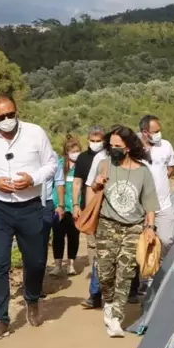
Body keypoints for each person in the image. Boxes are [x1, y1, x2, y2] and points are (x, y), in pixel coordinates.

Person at [0, 93, 58, 341]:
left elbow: (51, 164)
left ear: (17, 111)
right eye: (1, 116)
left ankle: (31, 300)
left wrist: (34, 179)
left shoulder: (35, 133)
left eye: (11, 114)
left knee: (36, 261)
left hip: (30, 206)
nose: (7, 119)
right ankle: (0, 319)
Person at [89, 125, 159, 337]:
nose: (113, 149)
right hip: (107, 225)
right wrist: (97, 184)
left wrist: (150, 228)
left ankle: (116, 318)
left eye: (117, 146)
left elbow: (149, 204)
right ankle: (108, 301)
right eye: (110, 146)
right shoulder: (105, 164)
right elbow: (93, 188)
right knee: (105, 272)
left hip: (133, 227)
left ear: (128, 147)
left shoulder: (143, 172)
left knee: (126, 272)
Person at [72, 125, 106, 309]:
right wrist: (76, 205)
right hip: (89, 209)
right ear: (87, 140)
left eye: (98, 140)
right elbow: (77, 183)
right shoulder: (83, 159)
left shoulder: (110, 157)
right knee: (93, 247)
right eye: (92, 141)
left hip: (109, 211)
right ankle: (96, 292)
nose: (95, 144)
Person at [138, 115, 174, 255]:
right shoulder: (134, 149)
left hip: (163, 205)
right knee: (143, 244)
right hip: (141, 207)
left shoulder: (166, 145)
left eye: (159, 130)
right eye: (155, 132)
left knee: (167, 240)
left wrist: (162, 178)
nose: (159, 134)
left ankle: (162, 271)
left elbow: (172, 167)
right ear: (145, 132)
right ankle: (146, 274)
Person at [49, 135, 81, 276]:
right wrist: (57, 204)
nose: (76, 153)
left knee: (73, 236)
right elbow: (54, 186)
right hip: (60, 206)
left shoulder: (82, 167)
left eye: (78, 150)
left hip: (75, 207)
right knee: (58, 235)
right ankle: (57, 266)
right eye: (73, 151)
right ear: (66, 152)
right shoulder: (59, 165)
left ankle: (71, 265)